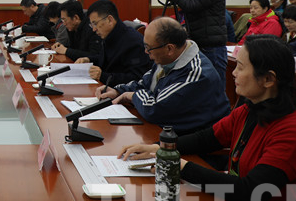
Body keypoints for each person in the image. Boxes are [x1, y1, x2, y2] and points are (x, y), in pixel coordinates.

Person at [119, 36, 296, 201]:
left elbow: (252, 192)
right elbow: (208, 138)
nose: (233, 73)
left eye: (240, 67)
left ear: (268, 79)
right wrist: (161, 147)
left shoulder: (292, 131)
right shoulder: (251, 109)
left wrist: (182, 167)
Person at [96, 17, 229, 134]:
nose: (146, 52)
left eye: (149, 48)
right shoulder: (167, 58)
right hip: (167, 131)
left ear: (169, 48)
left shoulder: (195, 74)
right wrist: (118, 91)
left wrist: (130, 96)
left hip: (194, 143)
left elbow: (154, 109)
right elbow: (144, 83)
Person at [159, 0, 232, 81]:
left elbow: (190, 5)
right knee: (201, 87)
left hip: (211, 47)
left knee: (214, 86)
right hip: (201, 43)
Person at [75, 0, 151, 85]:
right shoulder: (110, 35)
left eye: (95, 24)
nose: (94, 29)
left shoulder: (133, 42)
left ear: (110, 20)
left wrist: (102, 76)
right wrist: (88, 59)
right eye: (92, 25)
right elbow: (105, 59)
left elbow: (137, 78)